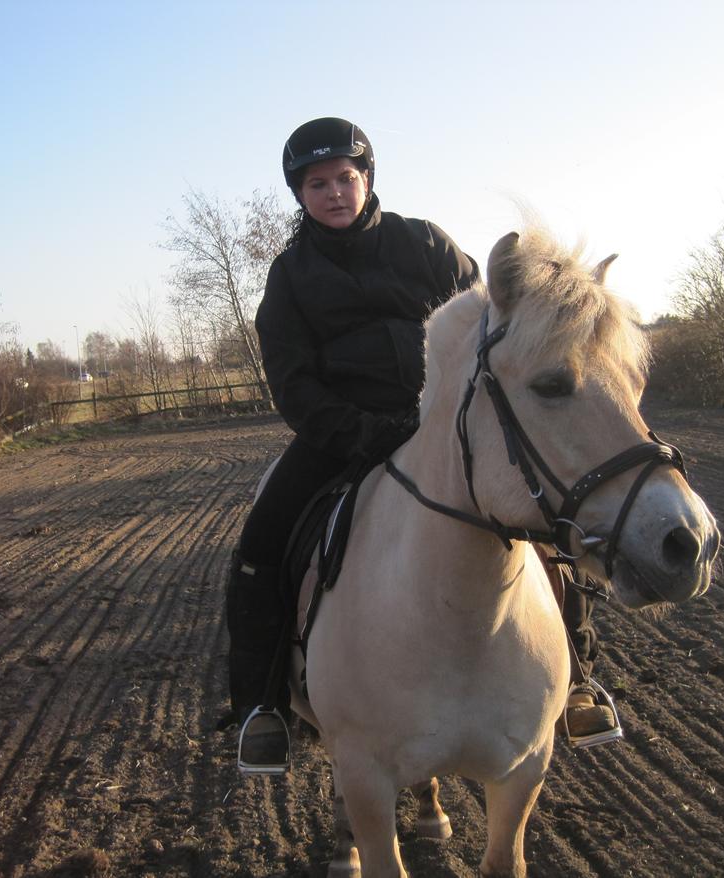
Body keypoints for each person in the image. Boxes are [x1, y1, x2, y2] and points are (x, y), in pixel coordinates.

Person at [226, 116, 619, 773]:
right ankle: (262, 705)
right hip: (341, 436)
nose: (334, 193)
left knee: (548, 517)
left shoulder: (424, 245)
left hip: (448, 426)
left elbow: (497, 318)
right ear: (299, 195)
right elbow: (292, 382)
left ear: (367, 179)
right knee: (259, 546)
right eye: (317, 183)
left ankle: (577, 678)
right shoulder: (290, 277)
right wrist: (357, 430)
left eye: (346, 178)